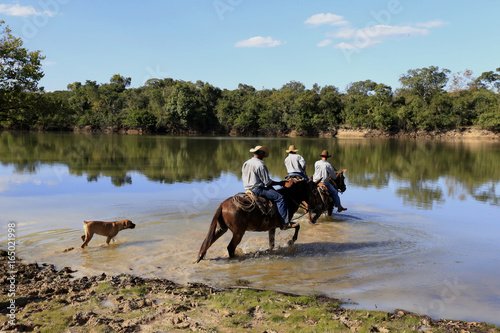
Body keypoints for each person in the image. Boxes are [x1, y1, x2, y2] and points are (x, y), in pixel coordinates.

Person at [242, 145, 291, 229]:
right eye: (263, 154)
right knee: (280, 198)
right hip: (258, 189)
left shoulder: (246, 163)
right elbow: (267, 182)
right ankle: (284, 222)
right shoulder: (260, 165)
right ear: (261, 154)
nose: (264, 157)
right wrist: (281, 183)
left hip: (247, 189)